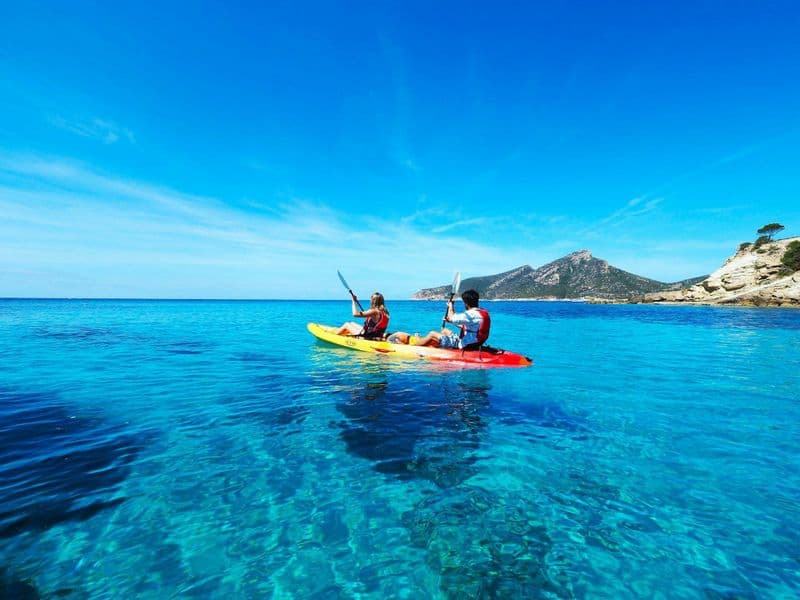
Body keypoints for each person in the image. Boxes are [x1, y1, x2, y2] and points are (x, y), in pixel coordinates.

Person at [413, 289, 490, 350]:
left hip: (465, 344)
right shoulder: (481, 312)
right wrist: (450, 321)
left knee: (432, 333)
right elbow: (467, 326)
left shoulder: (471, 314)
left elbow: (452, 317)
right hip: (476, 342)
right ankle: (433, 344)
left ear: (466, 303)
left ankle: (414, 347)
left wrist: (450, 306)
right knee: (444, 330)